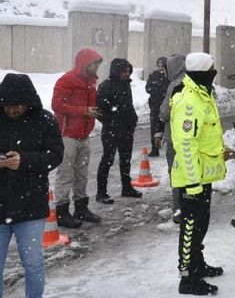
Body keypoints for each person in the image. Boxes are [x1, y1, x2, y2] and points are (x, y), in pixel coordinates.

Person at [0, 73, 64, 298]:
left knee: (33, 263)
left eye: (18, 105)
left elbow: (55, 155)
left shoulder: (44, 120)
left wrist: (24, 161)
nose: (12, 110)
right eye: (7, 105)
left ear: (29, 101)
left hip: (31, 206)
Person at [170, 52, 227, 295]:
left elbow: (205, 138)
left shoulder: (203, 94)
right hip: (192, 179)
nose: (215, 73)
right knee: (191, 229)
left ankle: (197, 264)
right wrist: (192, 183)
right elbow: (185, 145)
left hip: (203, 177)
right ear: (204, 72)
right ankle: (188, 279)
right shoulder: (189, 101)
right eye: (212, 69)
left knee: (200, 226)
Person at [52, 48, 103, 228]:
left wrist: (93, 114)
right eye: (95, 63)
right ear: (86, 63)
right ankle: (62, 212)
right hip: (67, 135)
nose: (97, 67)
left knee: (81, 174)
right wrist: (84, 112)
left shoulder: (91, 82)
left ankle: (81, 208)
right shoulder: (67, 80)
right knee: (66, 174)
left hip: (84, 134)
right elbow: (57, 105)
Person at [95, 58, 141, 204]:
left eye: (128, 71)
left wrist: (132, 119)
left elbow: (128, 105)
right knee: (107, 160)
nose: (127, 74)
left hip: (127, 129)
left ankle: (126, 187)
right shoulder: (105, 86)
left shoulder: (126, 85)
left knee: (126, 160)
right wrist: (111, 123)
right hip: (111, 130)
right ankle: (101, 192)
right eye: (124, 71)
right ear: (117, 71)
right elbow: (101, 110)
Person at [156, 53, 186, 223]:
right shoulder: (193, 82)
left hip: (175, 137)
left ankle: (178, 210)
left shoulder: (174, 85)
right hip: (190, 138)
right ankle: (191, 207)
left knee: (176, 173)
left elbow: (164, 112)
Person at [145, 57, 169, 157]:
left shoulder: (169, 76)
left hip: (166, 106)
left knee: (166, 127)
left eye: (162, 66)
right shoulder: (153, 75)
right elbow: (148, 88)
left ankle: (169, 147)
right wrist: (155, 90)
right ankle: (155, 149)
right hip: (155, 106)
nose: (160, 68)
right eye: (159, 66)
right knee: (154, 128)